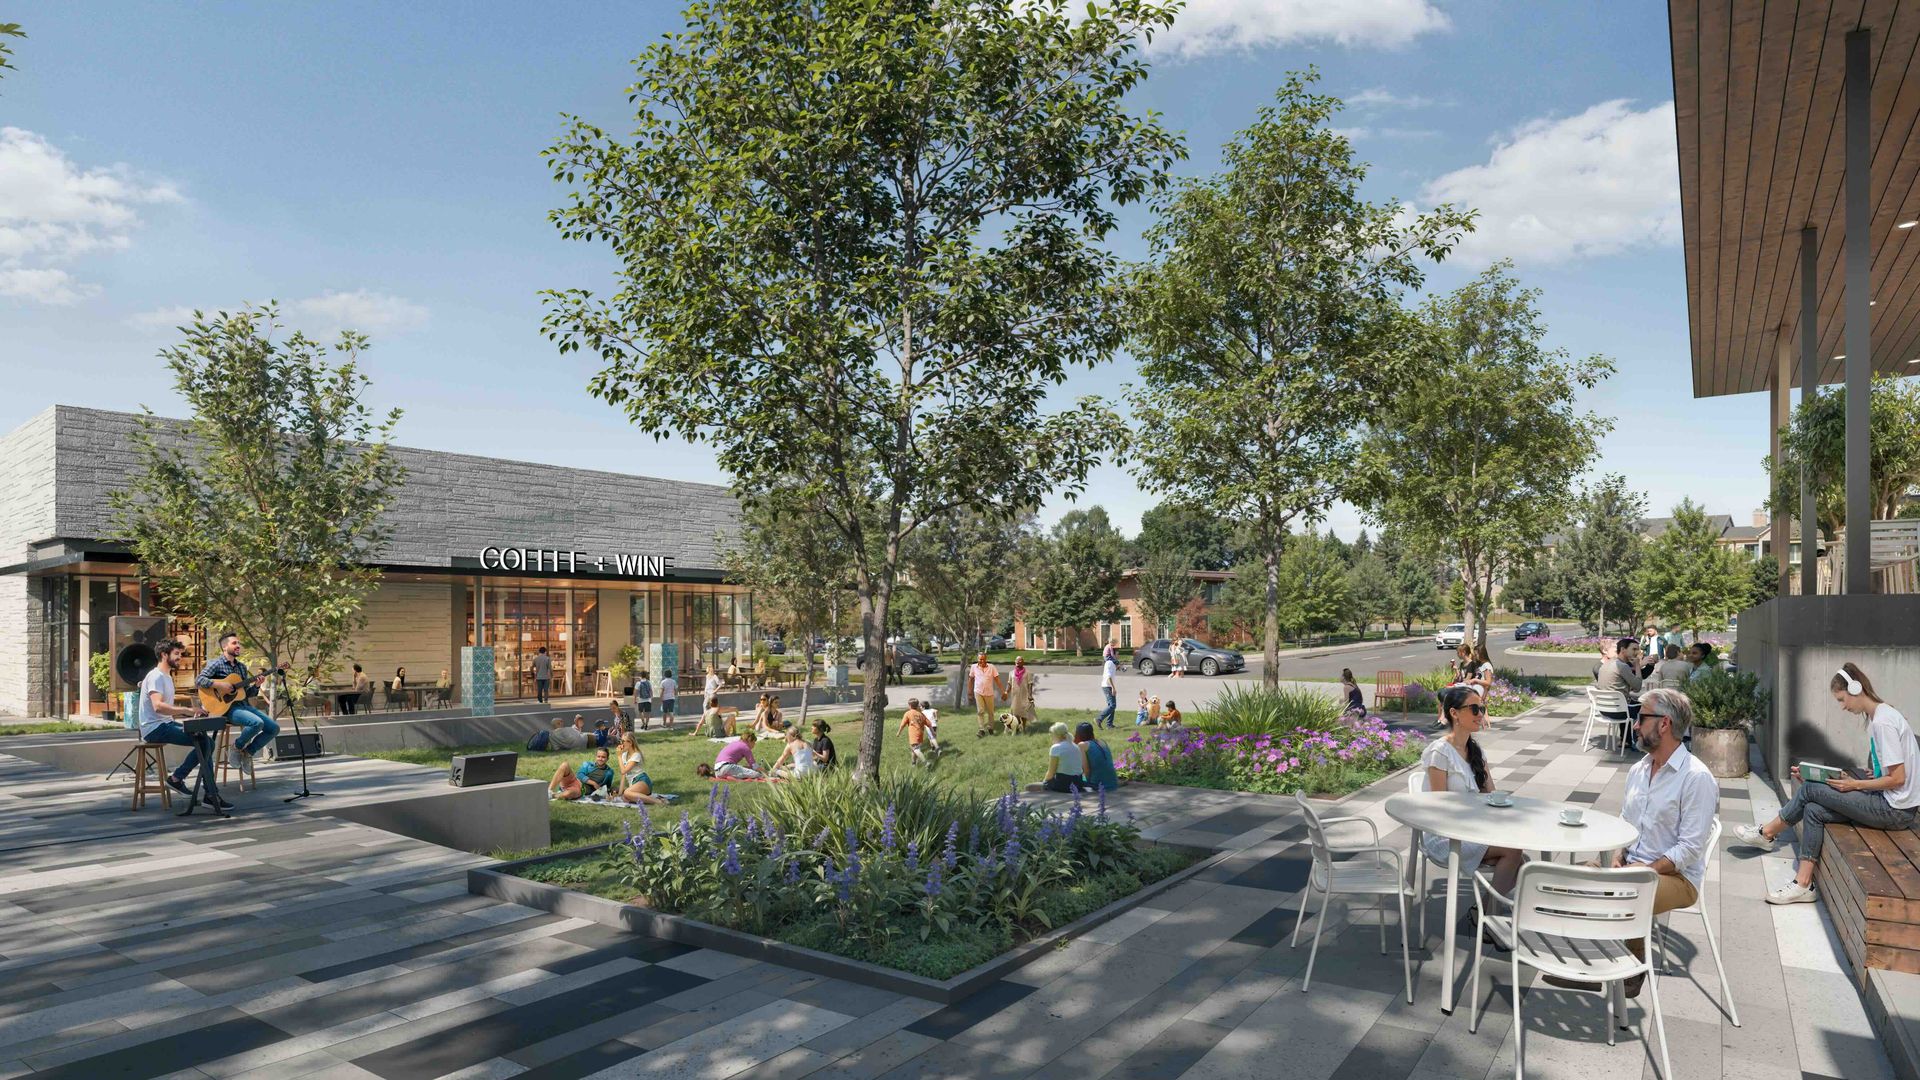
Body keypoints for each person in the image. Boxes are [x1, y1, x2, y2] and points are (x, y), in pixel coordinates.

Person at [1555, 687, 1718, 998]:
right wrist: (1619, 853)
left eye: (1641, 717)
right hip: (1634, 866)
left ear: (1664, 724)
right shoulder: (1638, 769)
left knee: (1621, 888)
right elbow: (1626, 821)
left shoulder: (1696, 777)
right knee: (1568, 879)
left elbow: (1691, 847)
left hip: (1677, 878)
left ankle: (1601, 969)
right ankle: (1611, 961)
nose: (1634, 723)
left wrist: (1647, 868)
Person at [1738, 663, 1920, 905]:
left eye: (1842, 699)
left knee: (1811, 789)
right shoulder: (1882, 715)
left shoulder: (1883, 722)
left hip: (1895, 811)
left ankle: (1767, 833)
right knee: (1813, 809)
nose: (1843, 707)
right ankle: (1803, 884)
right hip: (1889, 802)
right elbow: (1891, 771)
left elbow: (1898, 779)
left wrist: (1854, 785)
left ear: (1856, 689)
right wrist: (1860, 777)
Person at [1421, 685, 1527, 898]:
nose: (1481, 715)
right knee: (1513, 853)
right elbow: (1439, 806)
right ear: (1454, 713)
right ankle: (1486, 918)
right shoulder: (1439, 752)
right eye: (1475, 709)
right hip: (1446, 835)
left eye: (1482, 708)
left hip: (1473, 829)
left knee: (1522, 862)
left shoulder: (1477, 751)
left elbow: (1492, 795)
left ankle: (1484, 915)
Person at [142, 639, 230, 810]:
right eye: (176, 654)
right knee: (206, 743)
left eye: (180, 654)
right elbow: (158, 706)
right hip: (154, 729)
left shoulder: (166, 677)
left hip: (165, 724)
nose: (180, 658)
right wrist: (188, 711)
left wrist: (192, 714)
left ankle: (201, 790)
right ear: (163, 655)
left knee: (206, 741)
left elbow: (165, 711)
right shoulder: (156, 677)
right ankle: (185, 783)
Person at [186, 632, 279, 784]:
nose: (238, 646)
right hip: (227, 709)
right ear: (224, 646)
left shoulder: (241, 667)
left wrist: (256, 686)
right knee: (257, 723)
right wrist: (221, 685)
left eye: (238, 643)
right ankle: (236, 747)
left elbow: (244, 694)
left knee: (274, 728)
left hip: (243, 706)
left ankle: (248, 752)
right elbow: (199, 680)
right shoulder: (217, 664)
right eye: (234, 643)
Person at [1595, 637, 1644, 749]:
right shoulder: (1622, 666)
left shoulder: (1606, 664)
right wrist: (1637, 665)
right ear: (1623, 649)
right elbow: (1637, 687)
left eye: (1638, 649)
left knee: (1627, 703)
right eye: (1634, 649)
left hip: (1603, 709)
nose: (1637, 652)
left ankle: (1625, 740)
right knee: (1646, 708)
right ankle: (1638, 742)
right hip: (1617, 711)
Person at [549, 747, 618, 801]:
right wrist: (593, 783)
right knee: (565, 765)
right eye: (598, 756)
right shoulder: (588, 764)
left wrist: (612, 792)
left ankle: (553, 795)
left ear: (607, 759)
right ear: (596, 757)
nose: (600, 759)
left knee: (568, 794)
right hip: (575, 781)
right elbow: (580, 774)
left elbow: (607, 787)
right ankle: (549, 791)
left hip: (580, 789)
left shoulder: (609, 772)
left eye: (603, 757)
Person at [615, 735, 668, 805]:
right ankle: (650, 798)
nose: (621, 744)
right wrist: (619, 794)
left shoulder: (636, 755)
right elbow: (623, 775)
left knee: (627, 793)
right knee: (624, 798)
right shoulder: (624, 755)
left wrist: (619, 756)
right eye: (620, 741)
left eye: (622, 741)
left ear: (630, 743)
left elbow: (623, 771)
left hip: (642, 780)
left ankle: (658, 802)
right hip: (633, 783)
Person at [1040, 722, 1088, 793]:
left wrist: (1044, 782)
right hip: (1078, 783)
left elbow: (1051, 772)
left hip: (1064, 784)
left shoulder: (1056, 748)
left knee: (1030, 787)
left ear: (1056, 735)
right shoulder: (1075, 746)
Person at [1075, 722, 1119, 792]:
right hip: (1113, 783)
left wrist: (1089, 784)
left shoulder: (1082, 745)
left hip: (1098, 785)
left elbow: (1086, 769)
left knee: (1074, 781)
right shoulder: (1102, 742)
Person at [971, 653, 1002, 738]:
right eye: (980, 659)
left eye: (983, 659)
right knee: (980, 711)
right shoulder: (973, 667)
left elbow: (997, 680)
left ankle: (990, 727)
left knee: (990, 711)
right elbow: (970, 679)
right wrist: (969, 692)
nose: (982, 661)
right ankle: (981, 730)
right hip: (978, 692)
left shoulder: (991, 667)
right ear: (978, 659)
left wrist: (1003, 691)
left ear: (986, 659)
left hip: (989, 693)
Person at [900, 699, 937, 767]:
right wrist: (933, 732)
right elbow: (929, 724)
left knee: (915, 749)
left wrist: (899, 732)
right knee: (914, 749)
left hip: (913, 734)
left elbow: (902, 724)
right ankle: (913, 763)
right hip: (920, 734)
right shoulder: (921, 714)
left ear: (910, 705)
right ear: (917, 706)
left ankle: (926, 762)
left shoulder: (908, 713)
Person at [1008, 657, 1038, 734]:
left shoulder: (1027, 672)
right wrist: (1005, 692)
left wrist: (1030, 695)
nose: (1018, 662)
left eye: (1020, 661)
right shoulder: (1011, 673)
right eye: (1017, 661)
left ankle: (1024, 727)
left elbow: (1030, 684)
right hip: (1015, 696)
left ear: (1023, 663)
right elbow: (1009, 683)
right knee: (1015, 712)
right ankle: (1017, 726)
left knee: (1024, 712)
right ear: (1015, 662)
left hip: (1024, 695)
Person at [1095, 643, 1118, 728]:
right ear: (1113, 654)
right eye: (1117, 655)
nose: (1118, 657)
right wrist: (1113, 688)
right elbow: (1108, 677)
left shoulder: (1111, 663)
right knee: (1112, 705)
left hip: (1108, 686)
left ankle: (1109, 724)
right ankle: (1099, 719)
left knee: (1111, 705)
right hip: (1107, 686)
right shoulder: (1109, 663)